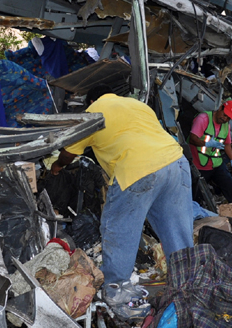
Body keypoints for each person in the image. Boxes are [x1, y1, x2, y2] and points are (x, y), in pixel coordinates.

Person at [51, 84, 194, 286]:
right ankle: (189, 285)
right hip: (176, 163)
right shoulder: (137, 105)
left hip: (137, 168)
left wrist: (57, 166)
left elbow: (68, 153)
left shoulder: (93, 113)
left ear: (91, 101)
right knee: (177, 230)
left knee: (120, 230)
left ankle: (116, 288)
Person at [187, 101, 232, 206]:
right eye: (224, 115)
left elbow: (227, 144)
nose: (225, 119)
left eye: (228, 118)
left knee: (229, 186)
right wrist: (206, 143)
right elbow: (192, 139)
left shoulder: (225, 126)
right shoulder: (203, 119)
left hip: (216, 162)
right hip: (199, 164)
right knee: (195, 195)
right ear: (220, 108)